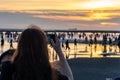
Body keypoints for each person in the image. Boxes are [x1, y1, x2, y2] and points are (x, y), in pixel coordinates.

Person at [0, 25, 73, 80]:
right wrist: (59, 51)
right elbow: (69, 78)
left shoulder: (9, 69)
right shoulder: (49, 74)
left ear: (20, 46)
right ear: (43, 48)